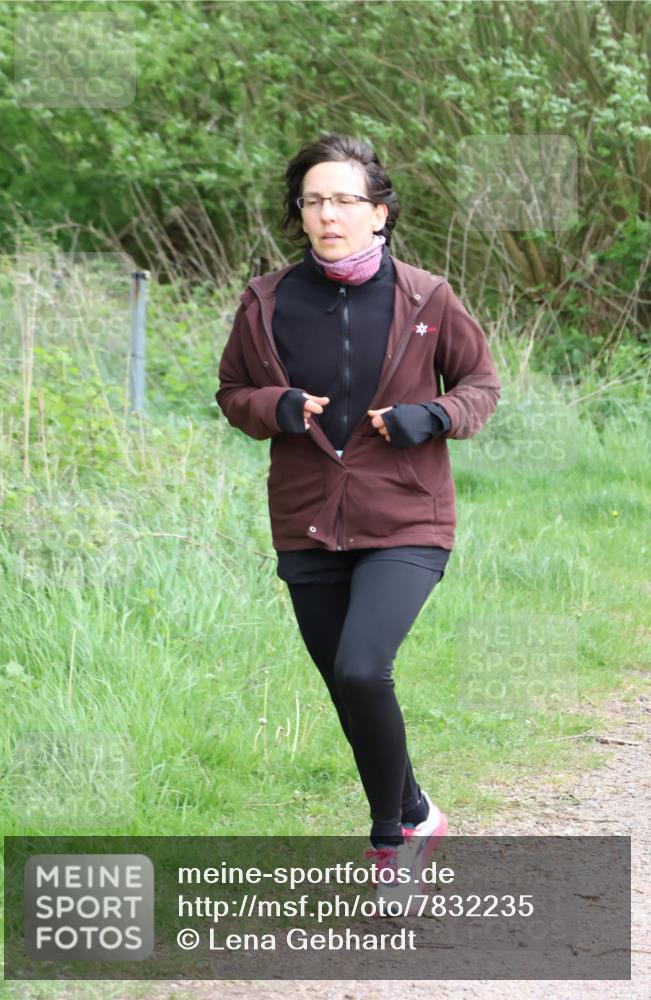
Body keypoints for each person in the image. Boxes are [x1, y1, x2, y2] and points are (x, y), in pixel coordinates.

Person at [215, 133, 501, 913]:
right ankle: (418, 811)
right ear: (298, 215)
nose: (327, 214)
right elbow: (232, 391)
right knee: (347, 689)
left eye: (344, 200)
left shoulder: (426, 297)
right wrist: (270, 406)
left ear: (378, 212)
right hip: (306, 518)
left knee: (360, 669)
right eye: (312, 201)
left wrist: (431, 415)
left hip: (406, 515)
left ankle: (390, 841)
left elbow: (479, 381)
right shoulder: (267, 300)